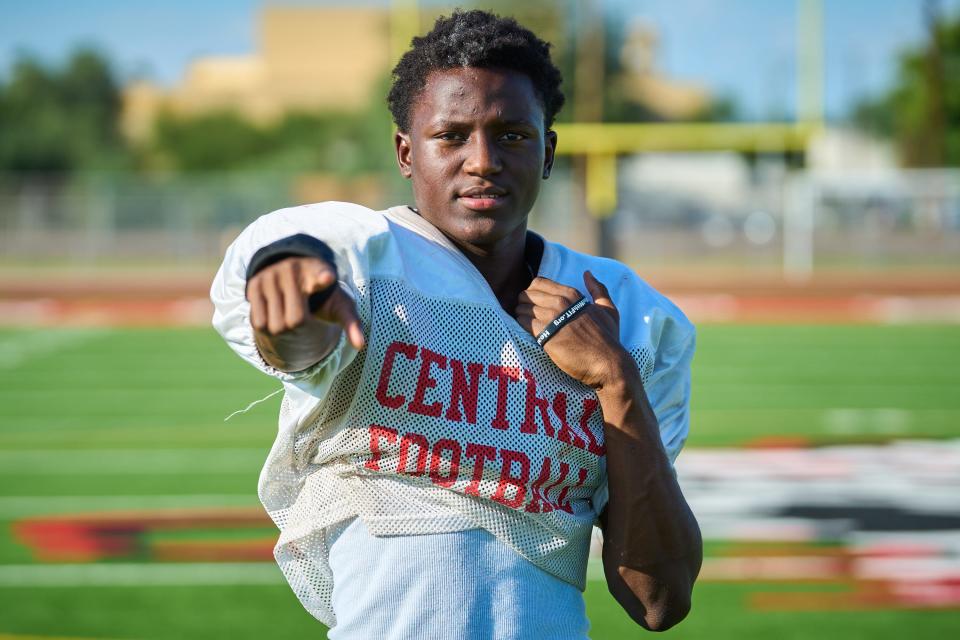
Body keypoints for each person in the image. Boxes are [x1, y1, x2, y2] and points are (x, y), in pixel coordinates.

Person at [211, 9, 701, 639]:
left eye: (513, 136)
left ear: (548, 151)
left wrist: (617, 380)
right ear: (405, 152)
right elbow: (302, 334)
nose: (483, 161)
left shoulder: (627, 312)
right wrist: (289, 281)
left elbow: (659, 599)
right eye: (451, 136)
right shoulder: (367, 260)